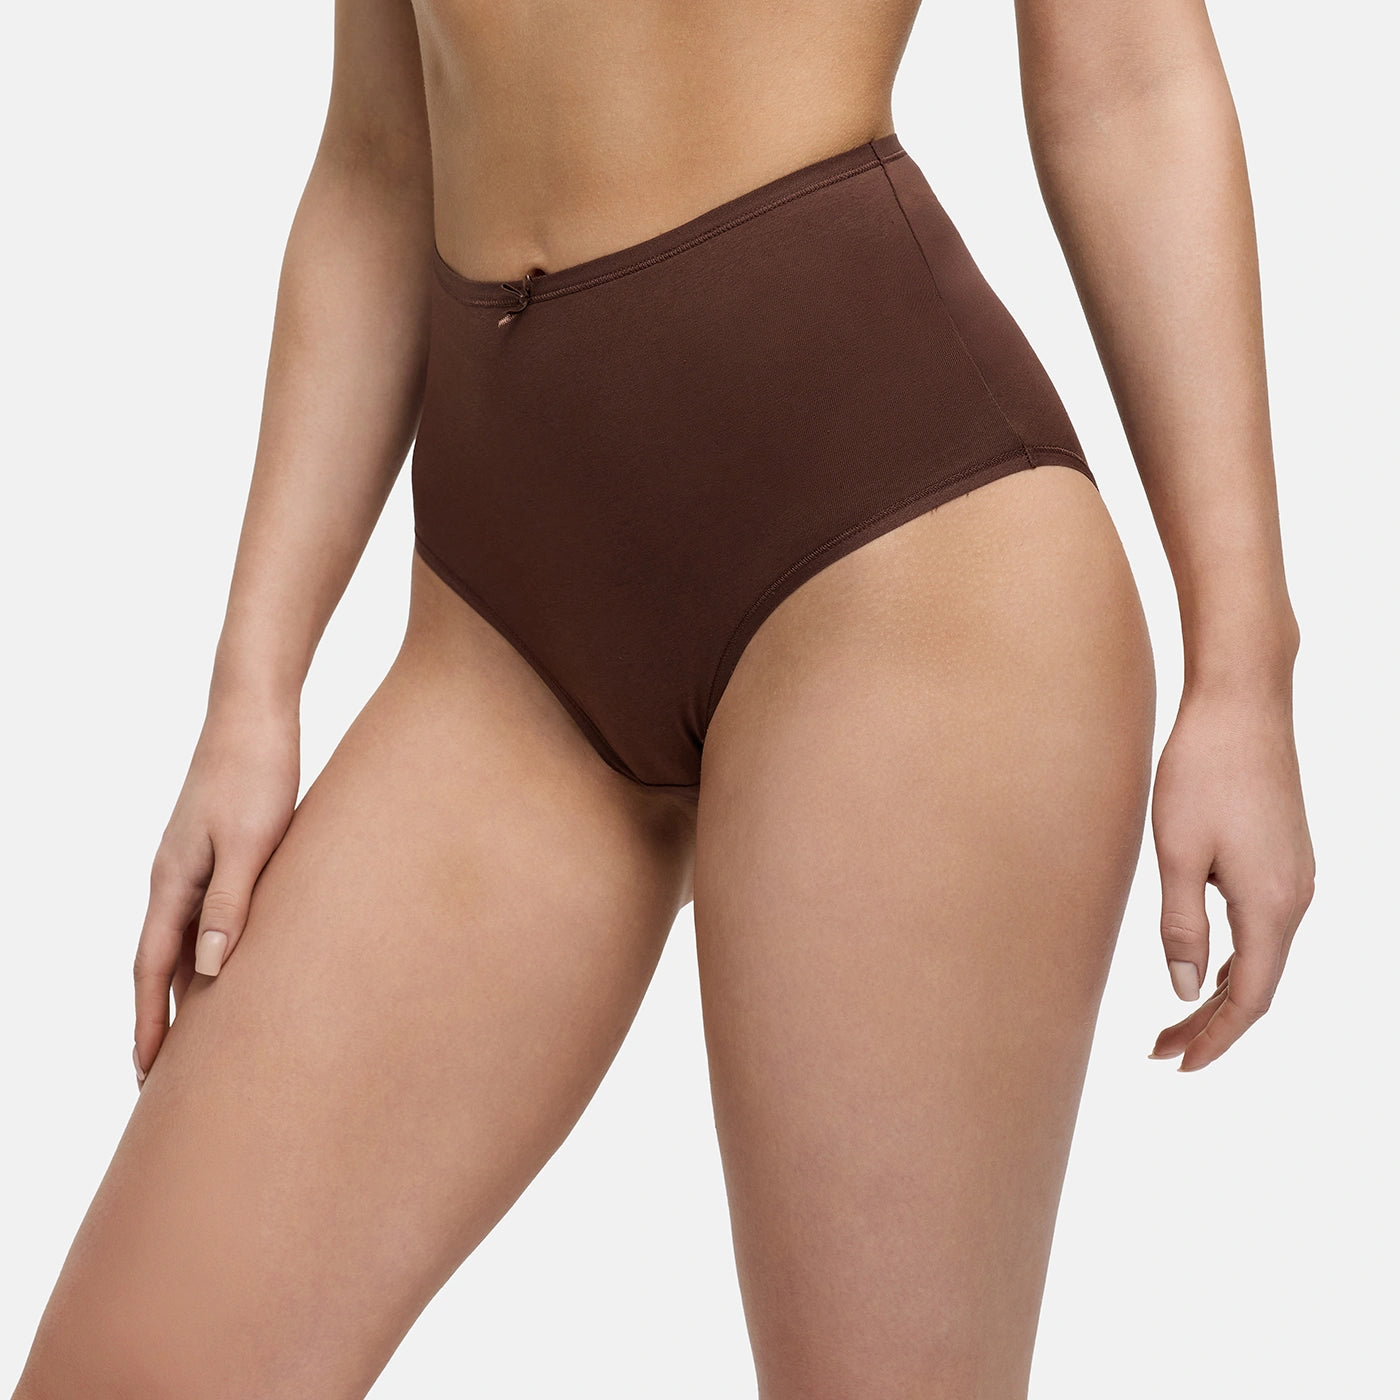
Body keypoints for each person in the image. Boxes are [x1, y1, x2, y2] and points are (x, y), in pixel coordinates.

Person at [11, 0, 1314, 1395]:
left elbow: (1129, 85)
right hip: (499, 634)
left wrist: (1244, 669)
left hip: (898, 556)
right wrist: (251, 692)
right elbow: (380, 160)